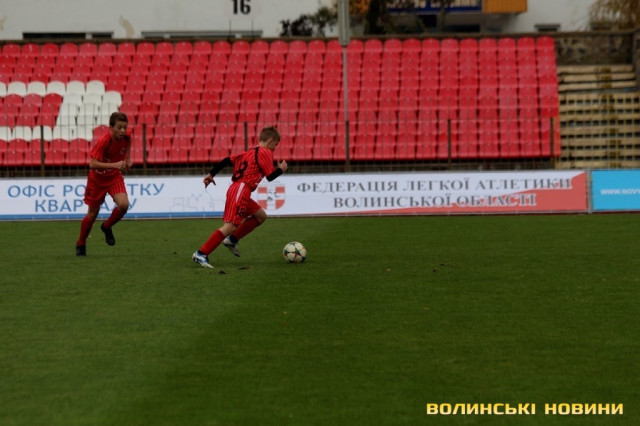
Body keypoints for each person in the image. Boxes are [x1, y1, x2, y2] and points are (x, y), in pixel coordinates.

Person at [192, 126, 288, 268]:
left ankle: (232, 240)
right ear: (270, 141)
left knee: (260, 216)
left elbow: (226, 160)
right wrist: (281, 170)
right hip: (241, 189)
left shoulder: (249, 152)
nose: (274, 149)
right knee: (231, 226)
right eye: (275, 145)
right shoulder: (265, 152)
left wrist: (211, 174)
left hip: (239, 189)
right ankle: (201, 253)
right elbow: (270, 177)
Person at [75, 112, 133, 256]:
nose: (123, 131)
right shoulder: (104, 142)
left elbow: (128, 141)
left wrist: (128, 158)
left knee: (124, 205)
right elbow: (92, 164)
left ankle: (106, 226)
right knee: (92, 214)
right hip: (97, 180)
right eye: (119, 127)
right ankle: (81, 242)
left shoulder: (126, 136)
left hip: (113, 177)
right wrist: (115, 164)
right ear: (111, 128)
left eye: (124, 127)